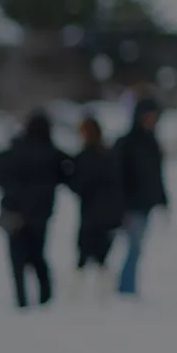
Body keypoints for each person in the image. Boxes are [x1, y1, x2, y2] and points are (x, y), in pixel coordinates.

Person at [0, 110, 69, 309]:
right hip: (40, 215)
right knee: (38, 256)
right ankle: (45, 298)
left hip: (14, 213)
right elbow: (66, 176)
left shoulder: (13, 150)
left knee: (17, 260)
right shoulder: (53, 153)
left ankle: (22, 300)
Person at [113, 98, 170, 297]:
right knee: (132, 249)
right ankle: (125, 290)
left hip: (146, 205)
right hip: (129, 206)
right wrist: (121, 207)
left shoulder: (152, 142)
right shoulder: (126, 143)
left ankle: (126, 287)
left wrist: (163, 200)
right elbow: (117, 178)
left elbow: (157, 175)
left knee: (136, 249)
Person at [66, 116, 125, 302]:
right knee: (101, 257)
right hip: (109, 213)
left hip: (91, 213)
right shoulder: (109, 154)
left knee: (84, 256)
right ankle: (103, 296)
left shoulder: (87, 157)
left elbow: (79, 185)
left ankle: (77, 295)